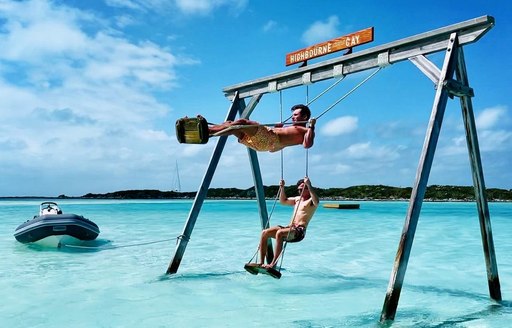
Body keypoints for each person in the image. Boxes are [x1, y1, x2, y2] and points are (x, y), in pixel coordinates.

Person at [256, 177, 319, 269]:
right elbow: (283, 201)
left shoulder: (311, 201)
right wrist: (282, 188)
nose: (300, 191)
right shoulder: (297, 199)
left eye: (302, 189)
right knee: (264, 233)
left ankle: (273, 264)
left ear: (307, 189)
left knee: (280, 233)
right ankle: (261, 263)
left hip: (299, 231)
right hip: (290, 227)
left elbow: (317, 202)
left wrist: (309, 185)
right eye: (299, 189)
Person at [208, 104, 316, 152]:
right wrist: (277, 130)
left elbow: (307, 145)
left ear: (305, 117)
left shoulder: (306, 130)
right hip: (261, 145)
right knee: (232, 125)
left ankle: (208, 131)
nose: (293, 117)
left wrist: (311, 126)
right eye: (293, 115)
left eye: (296, 115)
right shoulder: (290, 128)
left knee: (242, 122)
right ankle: (208, 130)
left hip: (267, 140)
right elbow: (273, 151)